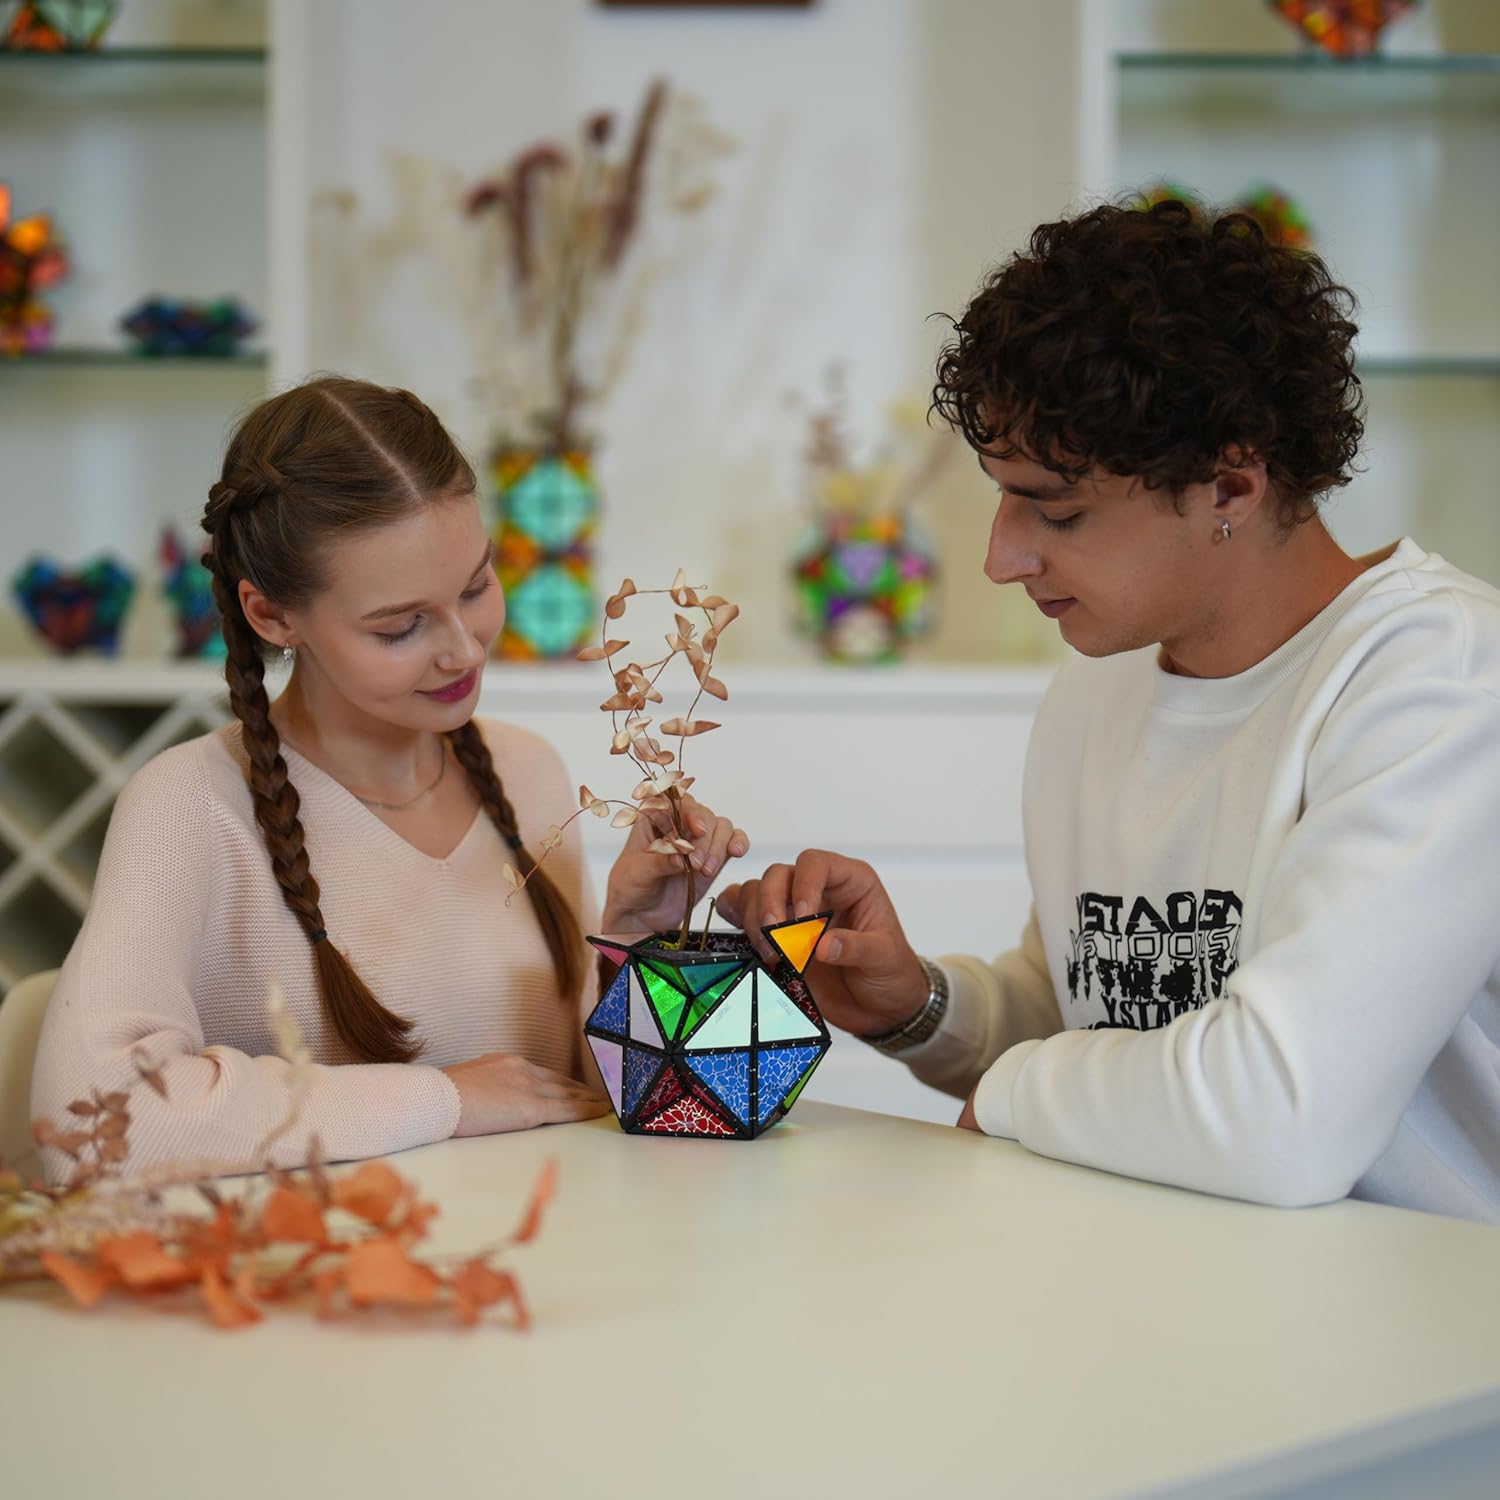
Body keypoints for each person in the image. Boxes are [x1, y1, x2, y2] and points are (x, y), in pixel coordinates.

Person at [719, 201, 1500, 1221]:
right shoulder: (1103, 682)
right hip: (1169, 1275)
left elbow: (1280, 1122)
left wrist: (1012, 1093)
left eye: (1058, 510)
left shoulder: (1441, 678)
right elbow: (1097, 1025)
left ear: (1230, 486)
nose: (1002, 558)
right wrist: (919, 1006)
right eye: (1003, 497)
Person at [32, 376, 749, 1177]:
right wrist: (445, 1100)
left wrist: (633, 936)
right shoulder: (188, 806)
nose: (464, 649)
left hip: (544, 1243)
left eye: (476, 587)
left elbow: (584, 1104)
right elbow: (91, 1125)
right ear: (271, 615)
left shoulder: (527, 772)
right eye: (401, 626)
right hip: (332, 1255)